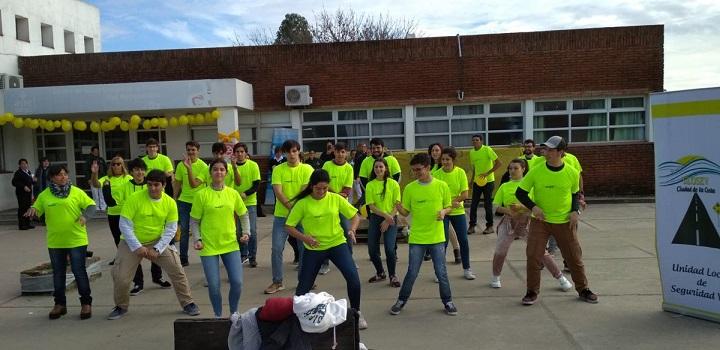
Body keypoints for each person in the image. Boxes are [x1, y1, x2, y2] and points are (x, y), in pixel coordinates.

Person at [515, 136, 598, 305]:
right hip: (540, 221)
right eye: (546, 149)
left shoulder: (571, 172)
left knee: (574, 257)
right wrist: (533, 207)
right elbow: (520, 193)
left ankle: (583, 289)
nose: (546, 152)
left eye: (551, 150)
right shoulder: (536, 171)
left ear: (561, 152)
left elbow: (575, 193)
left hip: (564, 222)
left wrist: (575, 210)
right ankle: (531, 292)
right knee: (533, 256)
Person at [107, 170, 200, 320]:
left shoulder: (170, 202)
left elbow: (171, 229)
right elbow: (124, 225)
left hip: (157, 240)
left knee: (177, 269)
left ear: (163, 185)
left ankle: (188, 303)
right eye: (149, 185)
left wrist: (158, 248)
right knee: (121, 277)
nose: (153, 188)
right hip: (131, 242)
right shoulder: (134, 199)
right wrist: (137, 247)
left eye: (156, 185)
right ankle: (121, 306)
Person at [285, 169, 366, 329]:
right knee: (303, 287)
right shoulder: (303, 203)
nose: (322, 192)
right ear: (311, 186)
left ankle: (356, 313)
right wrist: (305, 238)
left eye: (325, 188)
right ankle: (297, 317)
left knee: (354, 280)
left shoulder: (335, 199)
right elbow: (289, 226)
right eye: (318, 188)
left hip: (337, 244)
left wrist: (352, 230)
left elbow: (355, 216)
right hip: (313, 248)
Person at [25, 164, 96, 320]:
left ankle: (86, 303)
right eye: (59, 175)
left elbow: (91, 206)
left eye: (65, 174)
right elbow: (36, 209)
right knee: (58, 274)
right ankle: (59, 304)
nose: (63, 177)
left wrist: (85, 216)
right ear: (52, 178)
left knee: (79, 271)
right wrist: (33, 211)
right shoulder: (45, 195)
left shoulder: (77, 192)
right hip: (55, 242)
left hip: (77, 240)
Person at [389, 153, 457, 316]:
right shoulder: (410, 188)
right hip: (417, 238)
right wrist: (397, 206)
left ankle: (448, 301)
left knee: (441, 272)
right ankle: (401, 300)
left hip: (437, 237)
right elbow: (405, 213)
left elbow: (449, 206)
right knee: (412, 272)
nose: (416, 173)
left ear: (428, 167)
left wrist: (444, 211)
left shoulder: (442, 186)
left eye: (419, 169)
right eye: (413, 170)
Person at [490, 158, 572, 292]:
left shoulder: (531, 186)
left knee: (541, 252)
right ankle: (495, 277)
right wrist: (509, 211)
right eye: (510, 168)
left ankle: (561, 278)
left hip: (528, 222)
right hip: (509, 223)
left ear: (523, 169)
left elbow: (537, 206)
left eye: (515, 168)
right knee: (500, 250)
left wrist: (522, 208)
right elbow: (495, 206)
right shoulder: (504, 186)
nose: (512, 171)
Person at [191, 159, 251, 318]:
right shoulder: (201, 195)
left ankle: (233, 313)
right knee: (214, 285)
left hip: (230, 244)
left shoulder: (233, 193)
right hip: (208, 246)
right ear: (210, 173)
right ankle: (218, 315)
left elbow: (243, 214)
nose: (218, 172)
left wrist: (246, 232)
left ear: (226, 172)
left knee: (237, 283)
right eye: (215, 169)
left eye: (222, 170)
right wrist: (197, 239)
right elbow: (195, 221)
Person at [102, 158, 171, 294]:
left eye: (141, 169)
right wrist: (106, 189)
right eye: (136, 170)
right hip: (132, 226)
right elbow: (111, 203)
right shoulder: (125, 187)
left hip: (151, 225)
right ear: (131, 172)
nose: (139, 172)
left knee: (155, 251)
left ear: (145, 171)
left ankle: (157, 277)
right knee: (134, 253)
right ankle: (138, 282)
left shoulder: (151, 185)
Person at [265, 140, 314, 294]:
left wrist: (296, 212)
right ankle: (277, 282)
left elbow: (304, 191)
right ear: (284, 153)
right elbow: (278, 192)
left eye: (294, 151)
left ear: (299, 151)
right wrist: (291, 208)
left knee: (305, 248)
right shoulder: (278, 169)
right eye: (288, 152)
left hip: (302, 217)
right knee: (276, 249)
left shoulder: (307, 169)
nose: (292, 154)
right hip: (282, 217)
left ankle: (304, 281)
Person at [432, 147, 475, 280]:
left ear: (453, 160)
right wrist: (446, 207)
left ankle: (467, 269)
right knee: (442, 242)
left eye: (447, 159)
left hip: (458, 211)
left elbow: (465, 194)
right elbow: (435, 195)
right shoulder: (437, 174)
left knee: (463, 240)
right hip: (443, 212)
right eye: (443, 159)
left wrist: (456, 201)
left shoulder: (460, 172)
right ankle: (439, 272)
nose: (445, 162)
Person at [365, 158, 401, 287]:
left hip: (391, 218)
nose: (378, 169)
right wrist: (385, 216)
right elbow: (371, 206)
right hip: (376, 218)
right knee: (372, 249)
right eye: (376, 167)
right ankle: (380, 272)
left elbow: (397, 204)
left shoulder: (393, 184)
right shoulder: (370, 185)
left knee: (389, 249)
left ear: (386, 168)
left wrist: (388, 219)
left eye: (381, 167)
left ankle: (393, 275)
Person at [320, 142, 355, 275]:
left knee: (347, 232)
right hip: (325, 204)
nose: (340, 154)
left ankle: (349, 259)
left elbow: (347, 190)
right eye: (338, 151)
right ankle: (324, 263)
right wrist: (331, 193)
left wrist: (334, 194)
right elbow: (323, 185)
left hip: (341, 205)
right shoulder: (327, 165)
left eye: (343, 152)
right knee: (324, 233)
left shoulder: (349, 168)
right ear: (333, 152)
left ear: (346, 153)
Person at [173, 141, 209, 266]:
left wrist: (189, 169)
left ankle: (207, 256)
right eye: (188, 150)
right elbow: (177, 182)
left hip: (199, 203)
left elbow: (194, 185)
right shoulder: (180, 165)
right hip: (184, 202)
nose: (191, 152)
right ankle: (183, 258)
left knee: (202, 230)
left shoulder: (204, 167)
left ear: (198, 151)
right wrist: (174, 197)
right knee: (184, 230)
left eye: (193, 150)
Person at [428, 143, 461, 263]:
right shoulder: (430, 166)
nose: (435, 153)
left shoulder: (445, 167)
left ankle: (456, 249)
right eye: (432, 151)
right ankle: (429, 250)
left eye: (437, 150)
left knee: (448, 228)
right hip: (434, 201)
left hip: (448, 203)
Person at [91, 156, 132, 247]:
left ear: (122, 166)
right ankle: (121, 257)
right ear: (111, 166)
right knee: (117, 237)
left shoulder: (128, 178)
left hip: (126, 213)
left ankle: (131, 258)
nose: (116, 166)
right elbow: (96, 184)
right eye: (113, 164)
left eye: (118, 164)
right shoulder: (107, 179)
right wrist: (94, 173)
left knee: (128, 237)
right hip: (113, 213)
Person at [232, 143, 261, 267]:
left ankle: (252, 256)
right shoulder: (230, 167)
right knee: (239, 231)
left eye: (242, 151)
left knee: (252, 231)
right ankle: (243, 254)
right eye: (237, 152)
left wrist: (246, 193)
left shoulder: (253, 165)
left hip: (250, 203)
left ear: (246, 153)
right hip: (236, 204)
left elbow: (256, 184)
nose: (239, 154)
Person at [468, 134, 502, 235]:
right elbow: (474, 168)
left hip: (488, 181)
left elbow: (499, 163)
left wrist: (487, 173)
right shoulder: (472, 152)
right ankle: (472, 225)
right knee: (473, 204)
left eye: (477, 140)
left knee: (487, 204)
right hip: (477, 182)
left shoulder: (487, 149)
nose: (475, 142)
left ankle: (490, 226)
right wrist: (471, 181)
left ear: (481, 141)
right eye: (473, 140)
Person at [12, 158, 35, 230]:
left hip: (28, 194)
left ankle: (27, 224)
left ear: (27, 164)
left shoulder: (28, 172)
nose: (24, 165)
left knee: (28, 208)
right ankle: (22, 225)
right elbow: (14, 182)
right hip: (21, 194)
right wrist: (23, 186)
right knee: (22, 208)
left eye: (25, 163)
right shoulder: (18, 173)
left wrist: (34, 180)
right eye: (22, 164)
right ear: (19, 165)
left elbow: (31, 181)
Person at [85, 146, 107, 211]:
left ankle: (103, 207)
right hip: (93, 178)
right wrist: (88, 179)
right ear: (92, 152)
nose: (96, 153)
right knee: (95, 194)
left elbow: (105, 169)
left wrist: (106, 178)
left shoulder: (101, 160)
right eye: (95, 151)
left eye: (97, 151)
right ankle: (97, 207)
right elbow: (86, 170)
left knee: (102, 194)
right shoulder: (89, 160)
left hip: (102, 178)